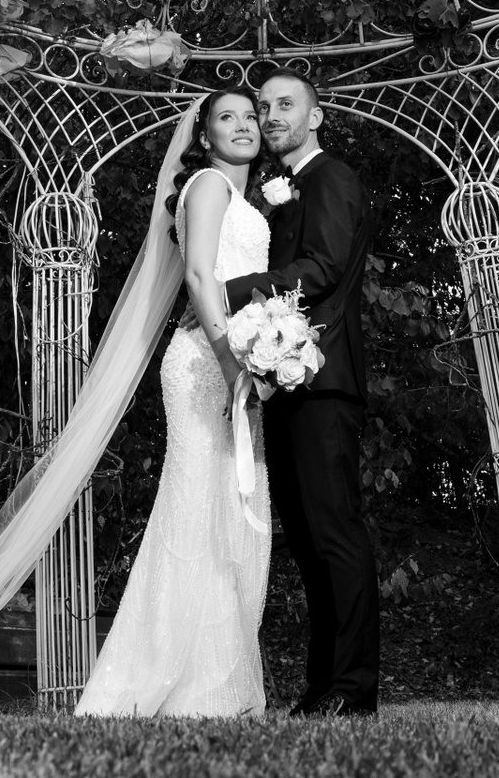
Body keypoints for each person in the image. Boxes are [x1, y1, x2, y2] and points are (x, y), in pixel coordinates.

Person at [75, 88, 272, 717]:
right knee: (197, 513)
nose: (243, 126)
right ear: (204, 137)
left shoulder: (241, 195)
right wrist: (232, 363)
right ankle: (165, 680)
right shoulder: (209, 185)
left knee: (229, 512)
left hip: (238, 357)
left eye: (251, 117)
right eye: (226, 118)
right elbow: (199, 276)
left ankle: (215, 683)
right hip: (208, 364)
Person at [224, 68, 379, 717]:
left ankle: (352, 688)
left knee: (335, 535)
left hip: (324, 381)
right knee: (311, 543)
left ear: (315, 117)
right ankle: (323, 686)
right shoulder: (285, 188)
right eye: (264, 106)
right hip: (286, 382)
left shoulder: (332, 177)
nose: (271, 116)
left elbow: (321, 269)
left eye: (286, 105)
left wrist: (225, 291)